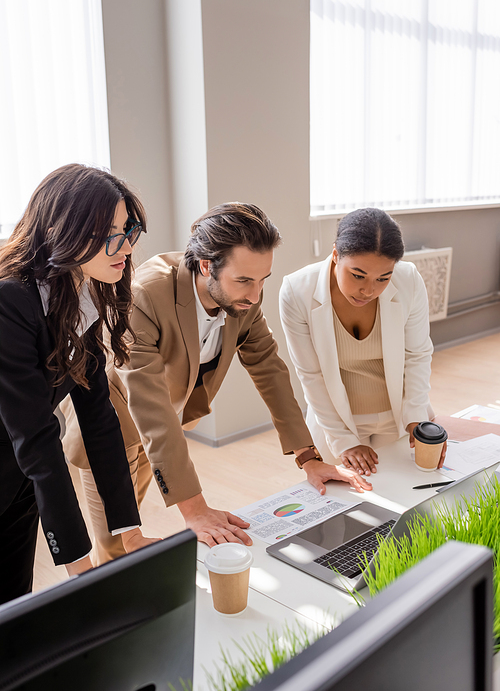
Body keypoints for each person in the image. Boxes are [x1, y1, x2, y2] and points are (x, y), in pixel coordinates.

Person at [61, 202, 372, 564]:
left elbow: (269, 367)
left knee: (133, 522)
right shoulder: (144, 293)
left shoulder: (244, 295)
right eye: (244, 281)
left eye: (262, 281)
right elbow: (149, 404)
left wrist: (309, 457)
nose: (256, 296)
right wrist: (194, 510)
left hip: (159, 431)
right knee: (119, 544)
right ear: (206, 265)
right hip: (109, 428)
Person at [0, 164, 157, 605]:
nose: (124, 246)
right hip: (24, 457)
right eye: (108, 233)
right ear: (63, 230)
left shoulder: (79, 294)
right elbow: (37, 437)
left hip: (21, 478)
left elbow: (98, 417)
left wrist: (130, 532)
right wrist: (79, 567)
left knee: (13, 607)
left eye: (128, 230)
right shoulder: (10, 300)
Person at [279, 207, 442, 478]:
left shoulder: (408, 279)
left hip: (400, 418)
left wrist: (416, 417)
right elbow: (311, 374)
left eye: (383, 278)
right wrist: (344, 440)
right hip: (336, 423)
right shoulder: (297, 291)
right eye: (358, 275)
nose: (369, 290)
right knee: (346, 508)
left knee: (403, 501)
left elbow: (418, 354)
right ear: (335, 256)